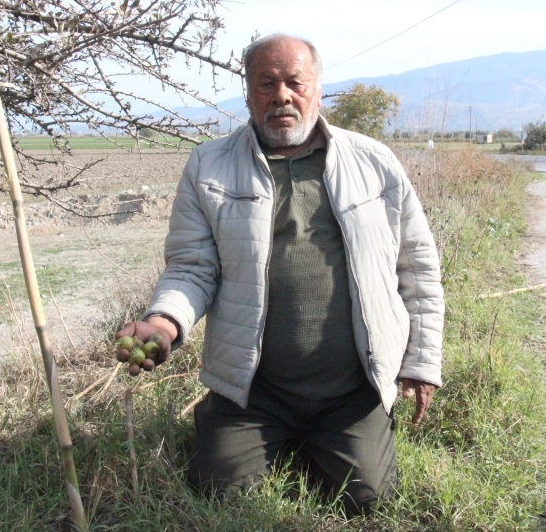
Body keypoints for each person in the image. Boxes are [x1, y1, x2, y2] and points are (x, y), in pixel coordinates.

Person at [114, 34, 444, 513]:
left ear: (317, 90)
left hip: (352, 388)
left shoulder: (373, 162)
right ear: (248, 94)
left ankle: (342, 436)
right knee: (220, 493)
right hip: (255, 391)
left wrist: (419, 363)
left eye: (294, 82)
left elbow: (417, 269)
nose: (281, 95)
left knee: (366, 499)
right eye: (266, 83)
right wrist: (163, 323)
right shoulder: (210, 166)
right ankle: (241, 431)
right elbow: (191, 267)